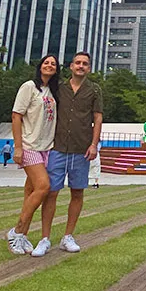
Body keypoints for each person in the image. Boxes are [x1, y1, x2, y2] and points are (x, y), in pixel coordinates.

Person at [41, 51, 103, 256]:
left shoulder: (94, 90)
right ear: (71, 66)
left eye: (85, 63)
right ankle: (45, 238)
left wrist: (94, 144)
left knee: (77, 192)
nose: (81, 66)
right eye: (78, 63)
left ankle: (68, 236)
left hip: (81, 149)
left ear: (89, 68)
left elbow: (97, 117)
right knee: (51, 193)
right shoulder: (59, 88)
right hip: (58, 147)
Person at [7, 55, 59, 257]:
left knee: (31, 191)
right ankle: (16, 231)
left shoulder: (52, 92)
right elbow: (16, 115)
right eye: (46, 63)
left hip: (47, 147)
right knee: (43, 186)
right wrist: (18, 147)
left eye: (53, 64)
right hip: (30, 145)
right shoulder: (29, 87)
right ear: (40, 67)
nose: (49, 66)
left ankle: (23, 235)